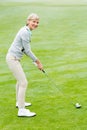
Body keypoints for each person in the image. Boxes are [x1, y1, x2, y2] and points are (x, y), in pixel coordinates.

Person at [6, 13, 43, 117]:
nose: (35, 24)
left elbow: (24, 50)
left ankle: (19, 103)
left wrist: (34, 61)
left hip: (14, 58)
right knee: (23, 82)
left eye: (37, 22)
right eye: (33, 21)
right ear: (28, 21)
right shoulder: (25, 32)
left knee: (20, 81)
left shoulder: (26, 30)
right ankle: (21, 110)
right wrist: (38, 62)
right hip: (13, 59)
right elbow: (27, 50)